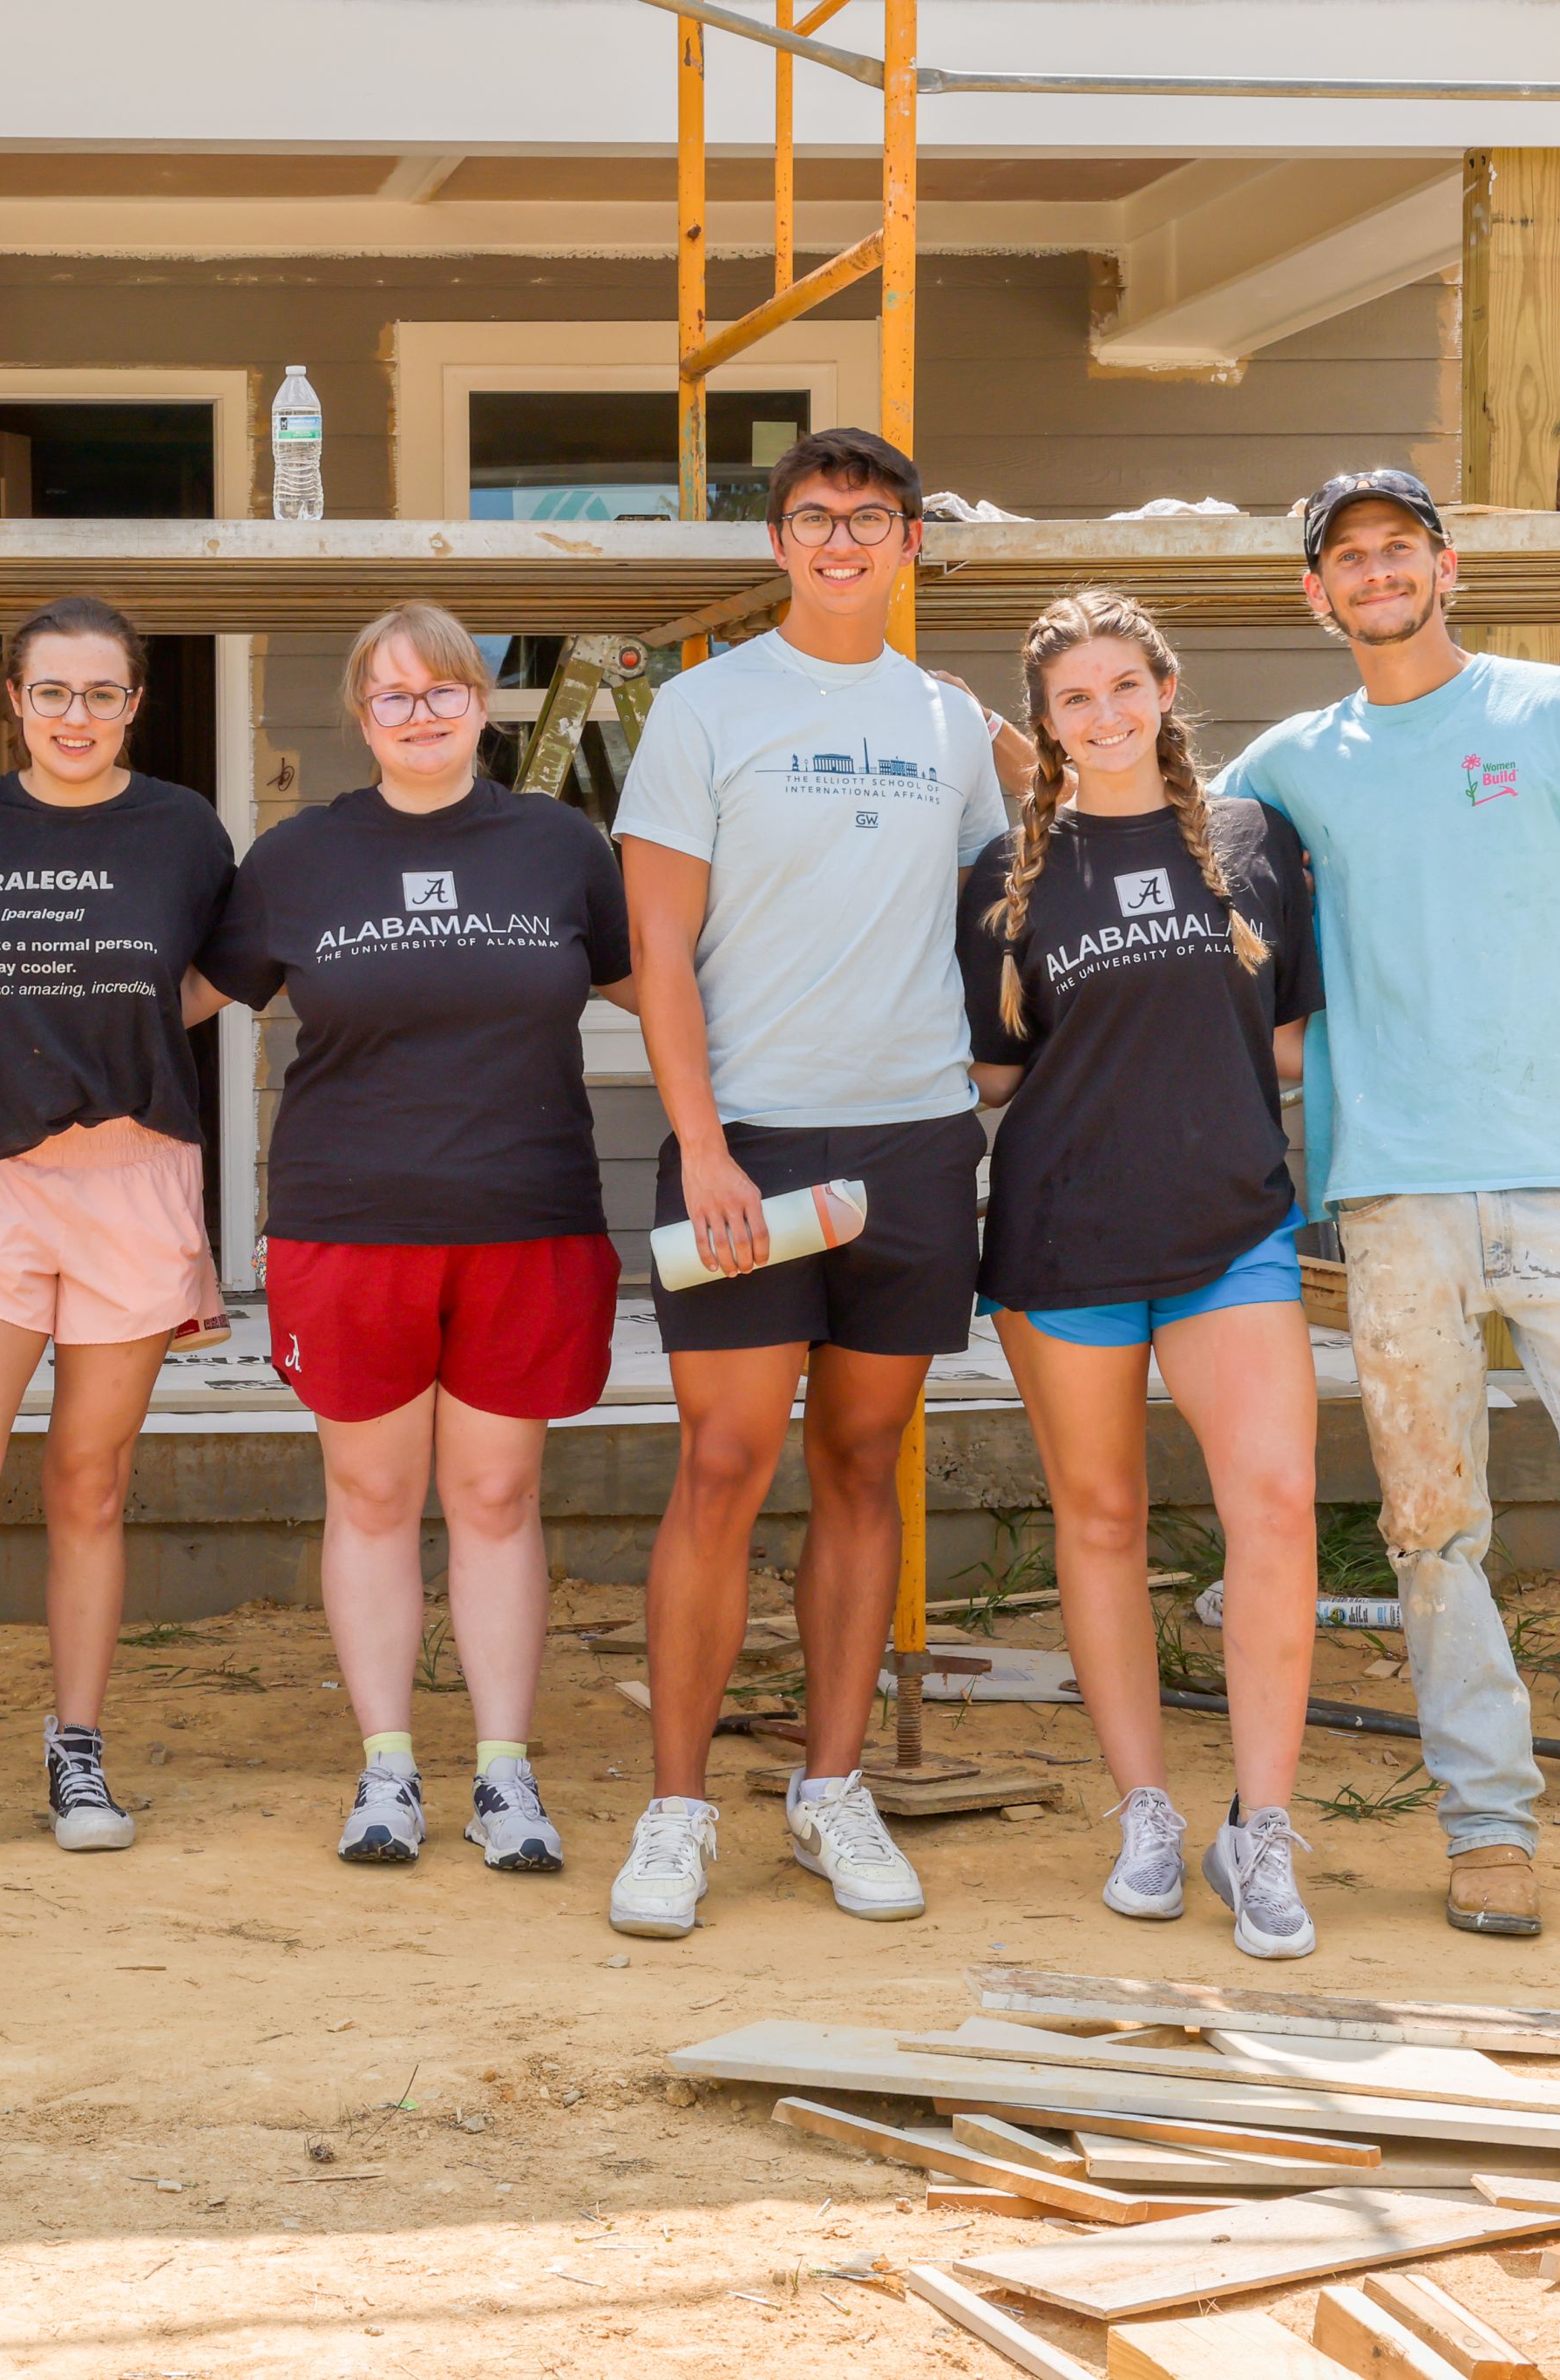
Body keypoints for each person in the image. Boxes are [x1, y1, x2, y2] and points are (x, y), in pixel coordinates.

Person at [1217, 469, 1560, 1940]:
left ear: (1447, 567)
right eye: (1347, 559)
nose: (1375, 573)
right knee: (1432, 1529)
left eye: (1399, 549)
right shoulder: (1287, 765)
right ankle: (1490, 1828)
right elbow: (1176, 867)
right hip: (1393, 1198)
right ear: (1315, 595)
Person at [604, 426, 1025, 1942]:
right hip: (751, 1143)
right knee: (723, 1467)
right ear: (776, 543)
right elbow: (657, 955)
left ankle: (830, 1789)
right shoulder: (704, 711)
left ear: (913, 540)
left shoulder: (948, 723)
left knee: (863, 1462)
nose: (841, 540)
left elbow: (995, 915)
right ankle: (676, 1811)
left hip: (913, 1142)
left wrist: (1024, 765)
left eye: (870, 517)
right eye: (811, 517)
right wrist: (703, 1141)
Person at [203, 601, 634, 1872]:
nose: (422, 714)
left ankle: (505, 1775)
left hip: (525, 1215)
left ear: (482, 703)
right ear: (361, 716)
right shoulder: (297, 861)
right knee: (374, 1493)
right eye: (392, 697)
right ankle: (386, 1769)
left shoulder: (563, 848)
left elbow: (656, 978)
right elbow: (196, 996)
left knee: (497, 1496)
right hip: (352, 1222)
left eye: (444, 691)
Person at [960, 589, 1326, 1960]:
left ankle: (1264, 1832)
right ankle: (1147, 1814)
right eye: (1074, 700)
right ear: (1045, 727)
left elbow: (1290, 1040)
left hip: (1233, 1230)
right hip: (1065, 1238)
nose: (1104, 716)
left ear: (1165, 694)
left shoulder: (1251, 845)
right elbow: (1000, 1075)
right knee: (1101, 1520)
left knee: (1276, 1510)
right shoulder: (1004, 878)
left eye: (1125, 688)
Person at [0, 595, 241, 1869]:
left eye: (102, 695)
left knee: (88, 1482)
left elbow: (233, 967)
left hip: (136, 1177)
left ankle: (76, 1745)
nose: (76, 717)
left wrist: (138, 1032)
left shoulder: (185, 828)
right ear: (16, 704)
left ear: (135, 703)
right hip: (2, 1179)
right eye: (52, 694)